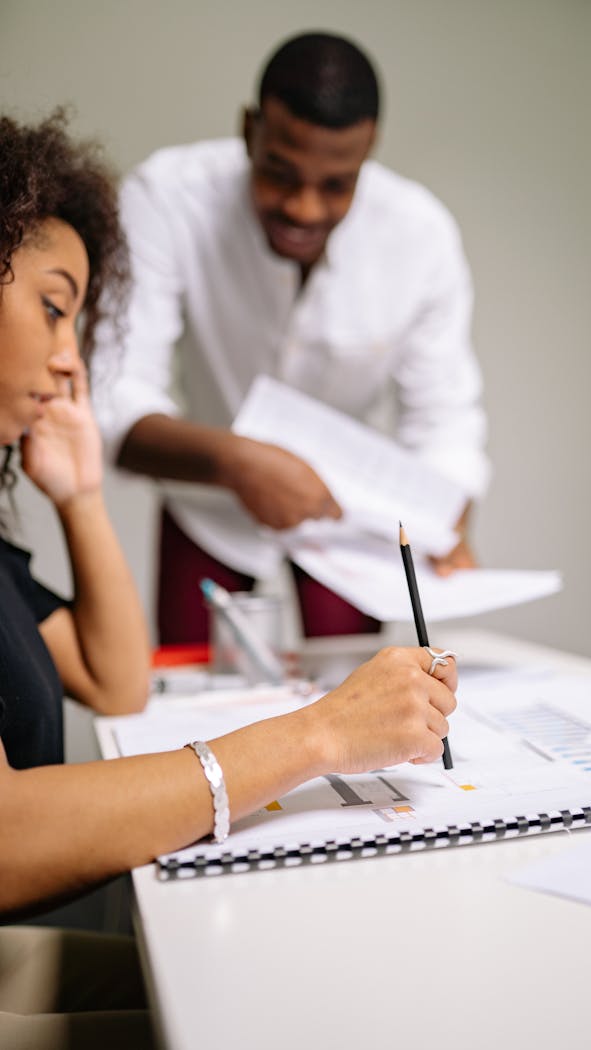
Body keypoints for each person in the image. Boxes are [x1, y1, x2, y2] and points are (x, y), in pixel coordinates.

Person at [0, 110, 458, 1050]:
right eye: (54, 308)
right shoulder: (181, 193)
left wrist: (80, 493)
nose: (69, 361)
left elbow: (114, 678)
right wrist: (322, 732)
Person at [91, 30, 490, 646]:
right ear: (250, 129)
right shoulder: (166, 198)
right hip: (206, 505)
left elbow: (445, 422)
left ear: (369, 153)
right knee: (195, 706)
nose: (304, 208)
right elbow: (116, 398)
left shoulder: (421, 236)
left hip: (353, 528)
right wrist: (237, 461)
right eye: (280, 172)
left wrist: (448, 512)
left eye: (336, 184)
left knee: (361, 705)